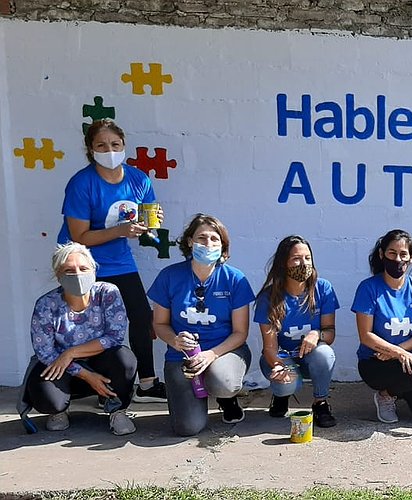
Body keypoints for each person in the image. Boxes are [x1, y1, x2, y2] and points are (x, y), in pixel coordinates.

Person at [57, 119, 166, 403]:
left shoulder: (138, 179)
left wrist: (150, 226)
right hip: (82, 263)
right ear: (90, 150)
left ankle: (147, 383)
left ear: (124, 146)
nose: (110, 150)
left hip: (119, 260)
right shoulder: (82, 183)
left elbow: (146, 222)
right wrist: (120, 230)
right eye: (101, 145)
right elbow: (79, 235)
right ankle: (97, 384)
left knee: (142, 316)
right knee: (93, 323)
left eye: (115, 144)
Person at [148, 214, 255, 436]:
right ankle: (197, 396)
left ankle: (227, 400)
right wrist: (174, 340)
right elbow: (159, 324)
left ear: (222, 244)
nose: (208, 244)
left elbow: (240, 333)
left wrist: (210, 355)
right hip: (182, 357)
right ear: (189, 241)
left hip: (224, 351)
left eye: (215, 239)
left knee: (223, 382)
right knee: (188, 428)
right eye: (202, 238)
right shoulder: (169, 276)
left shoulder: (235, 278)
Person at [19, 243, 137, 435]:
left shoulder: (108, 293)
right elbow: (45, 352)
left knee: (124, 359)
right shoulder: (46, 304)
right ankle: (59, 410)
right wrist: (86, 375)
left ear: (94, 270)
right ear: (58, 275)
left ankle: (117, 410)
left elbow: (115, 336)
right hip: (62, 367)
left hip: (99, 361)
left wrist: (71, 352)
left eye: (83, 269)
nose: (77, 274)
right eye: (69, 270)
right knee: (48, 397)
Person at [352, 229, 412, 426]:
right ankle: (385, 395)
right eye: (392, 253)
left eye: (404, 254)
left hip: (405, 361)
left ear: (411, 258)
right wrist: (396, 353)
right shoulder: (368, 288)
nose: (398, 259)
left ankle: (397, 391)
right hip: (375, 361)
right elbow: (366, 336)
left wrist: (398, 352)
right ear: (381, 254)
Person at [254, 235, 338, 428]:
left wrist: (317, 334)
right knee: (288, 384)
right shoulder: (269, 297)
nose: (304, 263)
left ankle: (320, 403)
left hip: (310, 358)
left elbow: (330, 333)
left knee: (325, 353)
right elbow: (269, 347)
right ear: (284, 263)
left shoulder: (323, 288)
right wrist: (279, 366)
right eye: (296, 259)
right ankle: (281, 396)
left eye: (308, 258)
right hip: (281, 357)